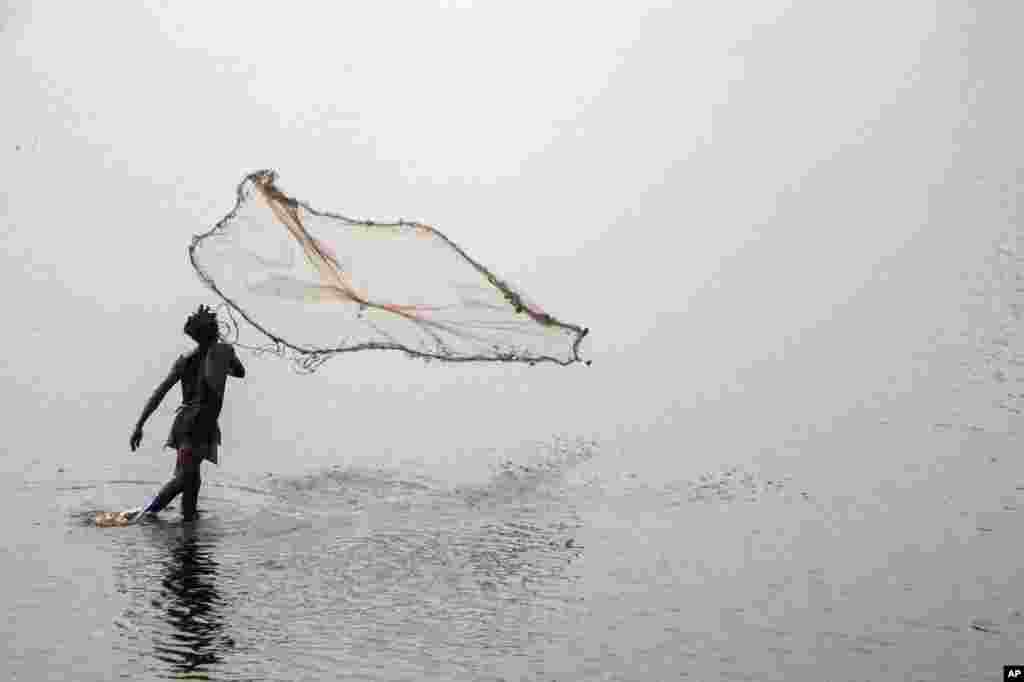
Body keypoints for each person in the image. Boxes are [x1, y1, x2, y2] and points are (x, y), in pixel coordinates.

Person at [130, 306, 245, 521]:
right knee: (184, 479)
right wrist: (224, 368)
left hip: (189, 424)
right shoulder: (224, 353)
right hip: (197, 426)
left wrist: (140, 425)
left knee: (192, 481)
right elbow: (240, 372)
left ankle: (187, 528)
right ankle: (145, 514)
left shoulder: (186, 361)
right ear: (215, 331)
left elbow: (159, 393)